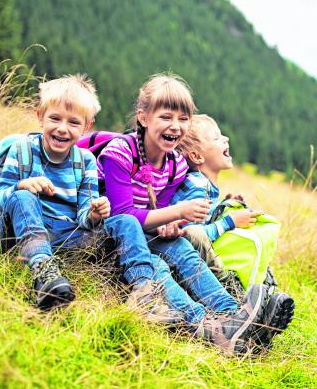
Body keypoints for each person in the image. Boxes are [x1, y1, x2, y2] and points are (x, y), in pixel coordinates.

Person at [0, 75, 184, 328]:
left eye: (73, 122)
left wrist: (94, 214)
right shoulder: (23, 149)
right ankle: (43, 271)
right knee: (23, 197)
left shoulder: (85, 161)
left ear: (86, 126)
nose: (63, 128)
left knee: (124, 220)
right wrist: (21, 185)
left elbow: (84, 215)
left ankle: (144, 291)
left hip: (65, 235)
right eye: (55, 118)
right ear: (40, 116)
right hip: (21, 232)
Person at [97, 73, 268, 354]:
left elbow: (157, 212)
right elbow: (122, 215)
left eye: (183, 119)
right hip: (110, 237)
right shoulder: (120, 152)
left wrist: (170, 224)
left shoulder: (175, 163)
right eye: (166, 117)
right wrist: (176, 212)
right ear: (143, 117)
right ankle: (205, 326)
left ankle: (234, 316)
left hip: (142, 233)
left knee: (180, 246)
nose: (175, 126)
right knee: (158, 265)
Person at [172, 114, 295, 350]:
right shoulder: (196, 185)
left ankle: (257, 321)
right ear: (197, 156)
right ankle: (246, 307)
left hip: (193, 259)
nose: (226, 138)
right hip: (188, 260)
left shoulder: (204, 185)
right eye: (217, 137)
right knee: (219, 261)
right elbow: (190, 232)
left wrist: (223, 204)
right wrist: (230, 222)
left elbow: (203, 216)